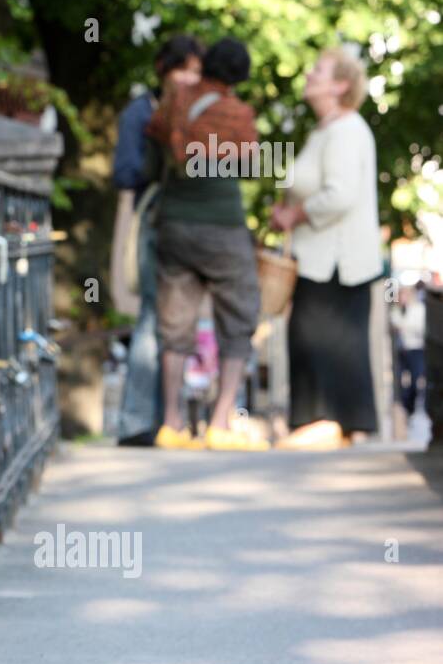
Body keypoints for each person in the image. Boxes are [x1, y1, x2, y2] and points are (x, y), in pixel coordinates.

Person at [145, 37, 267, 451]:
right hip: (222, 227)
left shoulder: (176, 99)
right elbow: (251, 164)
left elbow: (156, 135)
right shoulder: (237, 112)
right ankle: (220, 422)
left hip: (175, 223)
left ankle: (172, 424)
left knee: (175, 324)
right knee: (238, 318)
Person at [271, 48, 380, 449]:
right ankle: (327, 422)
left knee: (319, 335)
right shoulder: (324, 131)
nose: (309, 74)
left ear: (340, 85)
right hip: (319, 255)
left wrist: (294, 215)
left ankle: (327, 422)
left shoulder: (346, 130)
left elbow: (340, 195)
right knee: (311, 334)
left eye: (319, 70)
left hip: (337, 258)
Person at [110, 34, 204, 446]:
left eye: (196, 72)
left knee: (174, 320)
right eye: (183, 69)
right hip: (158, 221)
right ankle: (138, 421)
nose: (189, 78)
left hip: (186, 221)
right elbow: (125, 172)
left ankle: (162, 420)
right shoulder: (141, 112)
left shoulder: (196, 113)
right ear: (165, 69)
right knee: (153, 314)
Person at [392, 282, 426, 419]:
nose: (402, 298)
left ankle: (411, 405)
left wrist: (404, 326)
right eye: (400, 296)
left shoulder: (419, 309)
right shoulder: (395, 310)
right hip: (401, 350)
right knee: (400, 380)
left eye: (404, 295)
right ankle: (405, 406)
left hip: (416, 349)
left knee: (415, 379)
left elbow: (421, 329)